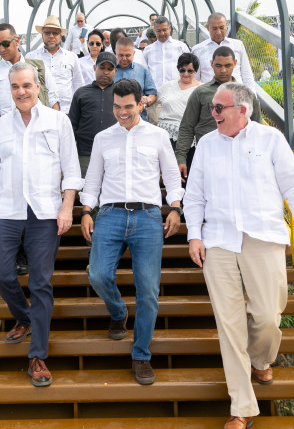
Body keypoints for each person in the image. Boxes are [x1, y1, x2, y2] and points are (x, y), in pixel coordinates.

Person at [183, 82, 294, 428]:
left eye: (219, 108)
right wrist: (194, 235)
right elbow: (194, 196)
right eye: (211, 108)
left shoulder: (270, 139)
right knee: (229, 326)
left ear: (242, 110)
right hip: (218, 241)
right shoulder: (206, 145)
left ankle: (261, 358)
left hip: (264, 237)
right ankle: (241, 407)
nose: (213, 114)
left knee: (268, 317)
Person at [0, 62, 83, 388]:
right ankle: (25, 318)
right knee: (2, 275)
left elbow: (72, 170)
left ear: (38, 86)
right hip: (6, 211)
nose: (21, 92)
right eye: (15, 87)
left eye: (27, 85)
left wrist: (67, 208)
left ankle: (37, 356)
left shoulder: (58, 122)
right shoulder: (0, 127)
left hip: (45, 213)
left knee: (41, 283)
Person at [80, 78, 184, 386]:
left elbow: (171, 176)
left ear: (141, 104)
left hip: (148, 217)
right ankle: (118, 311)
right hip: (110, 214)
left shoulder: (158, 136)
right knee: (98, 275)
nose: (122, 113)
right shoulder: (103, 138)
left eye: (128, 107)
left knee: (148, 290)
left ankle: (141, 354)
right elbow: (93, 179)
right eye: (117, 107)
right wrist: (86, 211)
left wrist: (175, 207)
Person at [0, 23, 60, 285]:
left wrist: (55, 140)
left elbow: (54, 102)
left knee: (27, 196)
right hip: (3, 142)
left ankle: (22, 258)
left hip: (35, 141)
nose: (1, 49)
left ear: (17, 41)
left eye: (5, 43)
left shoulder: (37, 67)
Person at [176, 46, 262, 180]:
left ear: (235, 63)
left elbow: (257, 129)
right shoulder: (200, 93)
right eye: (218, 65)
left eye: (228, 65)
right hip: (209, 156)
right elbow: (187, 127)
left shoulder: (247, 95)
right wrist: (181, 157)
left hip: (242, 157)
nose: (223, 70)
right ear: (211, 64)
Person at [68, 51, 119, 176]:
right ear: (94, 67)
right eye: (102, 67)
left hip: (115, 153)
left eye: (110, 69)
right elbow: (72, 125)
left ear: (115, 71)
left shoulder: (120, 93)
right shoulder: (81, 93)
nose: (105, 72)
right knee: (86, 186)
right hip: (86, 153)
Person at [27, 15, 85, 114]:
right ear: (42, 35)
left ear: (60, 36)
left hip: (67, 111)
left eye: (55, 33)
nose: (51, 36)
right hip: (40, 112)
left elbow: (78, 85)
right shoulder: (31, 57)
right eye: (47, 33)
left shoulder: (71, 57)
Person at [191, 13, 256, 90]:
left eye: (221, 28)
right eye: (214, 29)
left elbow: (247, 75)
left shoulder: (238, 45)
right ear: (208, 28)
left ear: (226, 26)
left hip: (237, 93)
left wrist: (251, 96)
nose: (218, 32)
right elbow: (195, 79)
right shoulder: (197, 50)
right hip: (210, 95)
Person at [157, 52, 202, 147]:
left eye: (190, 71)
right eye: (182, 70)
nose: (186, 74)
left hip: (187, 138)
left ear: (195, 71)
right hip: (164, 136)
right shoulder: (167, 86)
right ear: (178, 69)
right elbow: (152, 99)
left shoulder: (201, 89)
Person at [113, 36, 158, 121]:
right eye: (121, 55)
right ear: (115, 52)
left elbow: (153, 94)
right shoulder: (110, 71)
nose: (124, 59)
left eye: (128, 55)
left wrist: (145, 103)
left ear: (133, 53)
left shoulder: (142, 70)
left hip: (138, 119)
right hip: (115, 120)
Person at [143, 16, 190, 87]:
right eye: (158, 31)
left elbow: (190, 68)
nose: (162, 33)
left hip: (177, 89)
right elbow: (144, 70)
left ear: (169, 28)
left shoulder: (181, 47)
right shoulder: (148, 50)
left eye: (164, 30)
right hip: (155, 90)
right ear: (154, 30)